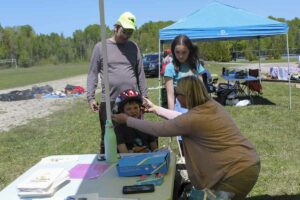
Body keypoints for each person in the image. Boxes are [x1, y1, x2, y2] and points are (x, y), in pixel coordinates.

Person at [112, 76, 260, 200]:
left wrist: (127, 120)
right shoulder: (210, 105)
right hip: (245, 165)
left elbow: (161, 129)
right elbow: (181, 119)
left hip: (235, 173)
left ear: (186, 96)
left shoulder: (193, 119)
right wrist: (156, 109)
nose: (175, 97)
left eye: (177, 94)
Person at [87, 11, 147, 154]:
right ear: (116, 27)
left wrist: (145, 97)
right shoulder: (100, 47)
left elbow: (140, 73)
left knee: (135, 138)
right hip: (110, 102)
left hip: (132, 102)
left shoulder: (133, 47)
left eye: (130, 32)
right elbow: (93, 73)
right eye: (125, 31)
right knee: (110, 140)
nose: (127, 35)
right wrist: (90, 97)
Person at [164, 34, 206, 111]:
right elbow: (170, 95)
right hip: (180, 108)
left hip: (197, 107)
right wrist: (171, 116)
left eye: (184, 52)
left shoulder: (196, 65)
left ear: (189, 51)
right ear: (173, 51)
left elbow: (201, 90)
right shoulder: (170, 68)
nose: (180, 56)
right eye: (177, 52)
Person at [113, 89, 158, 153]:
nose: (133, 111)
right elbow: (124, 153)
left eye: (136, 108)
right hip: (130, 161)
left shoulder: (146, 126)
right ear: (122, 111)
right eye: (129, 109)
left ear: (140, 108)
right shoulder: (119, 130)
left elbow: (155, 149)